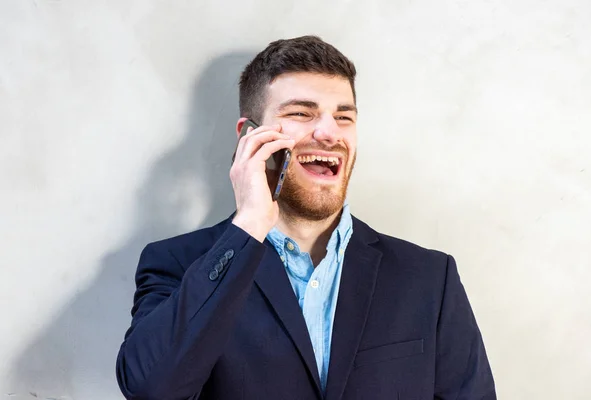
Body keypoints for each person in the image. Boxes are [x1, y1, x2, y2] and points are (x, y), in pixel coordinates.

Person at [116, 35, 496, 400]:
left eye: (343, 117)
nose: (329, 132)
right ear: (250, 136)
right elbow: (152, 388)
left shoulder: (430, 277)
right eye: (301, 112)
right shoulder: (177, 264)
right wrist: (249, 224)